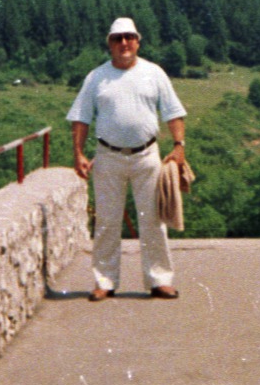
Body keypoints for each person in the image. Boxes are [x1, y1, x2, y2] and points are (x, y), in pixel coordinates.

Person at [67, 17, 188, 300]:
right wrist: (78, 153)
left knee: (153, 220)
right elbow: (81, 118)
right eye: (117, 38)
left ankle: (160, 280)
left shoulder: (154, 73)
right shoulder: (96, 77)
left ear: (138, 40)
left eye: (129, 37)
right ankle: (105, 282)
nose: (124, 43)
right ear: (109, 43)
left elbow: (173, 111)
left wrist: (179, 145)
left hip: (147, 156)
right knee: (107, 222)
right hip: (108, 156)